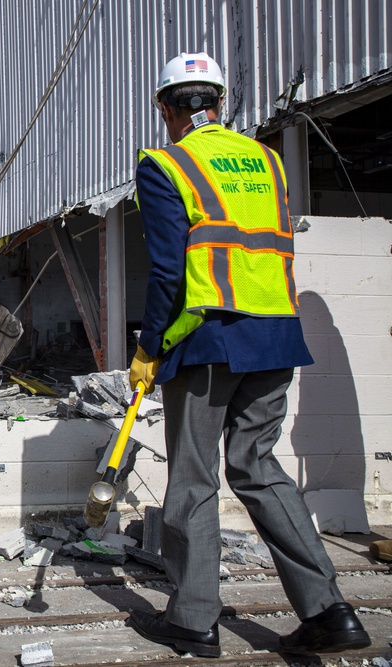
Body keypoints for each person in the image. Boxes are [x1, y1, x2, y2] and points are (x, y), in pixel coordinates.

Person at [126, 52, 371, 658]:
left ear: (166, 109)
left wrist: (149, 346)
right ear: (219, 104)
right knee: (258, 469)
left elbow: (167, 271)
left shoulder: (166, 163)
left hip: (207, 336)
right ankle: (330, 611)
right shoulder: (267, 161)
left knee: (193, 480)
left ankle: (193, 621)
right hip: (275, 335)